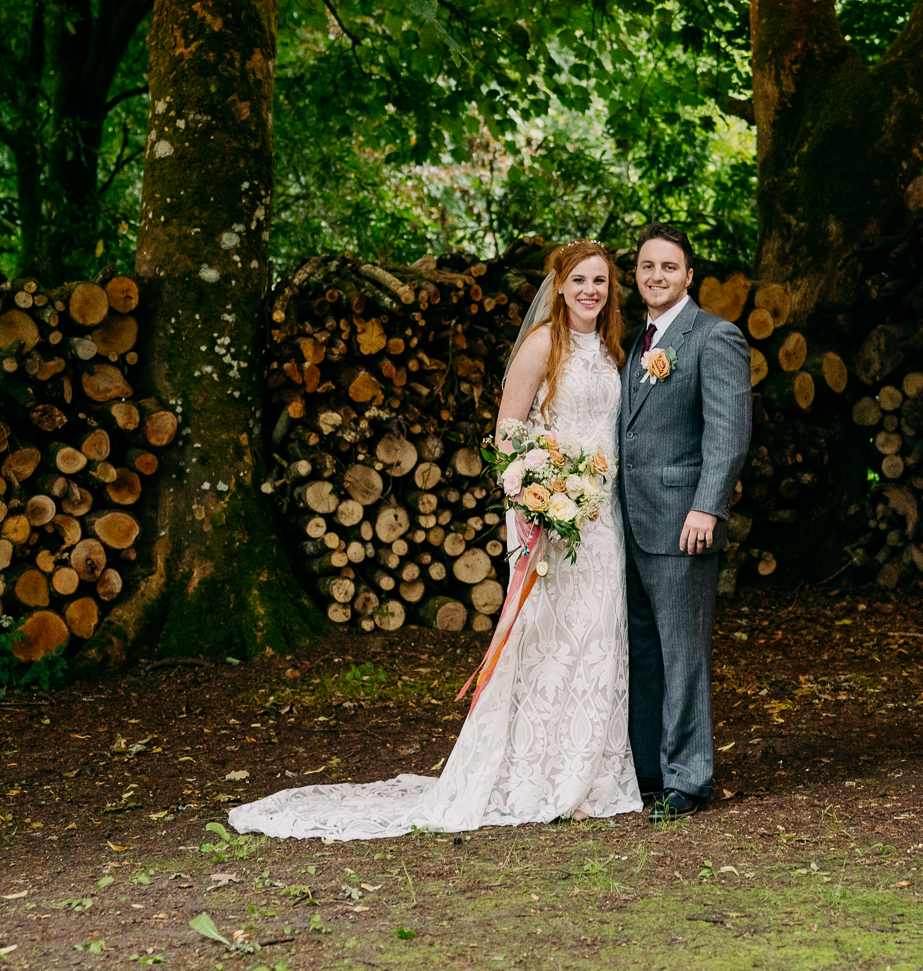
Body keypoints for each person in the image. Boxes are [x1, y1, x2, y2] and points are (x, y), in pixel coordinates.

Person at [228, 240, 641, 838]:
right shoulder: (541, 346)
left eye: (600, 281)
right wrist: (538, 496)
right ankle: (540, 778)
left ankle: (591, 778)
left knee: (600, 639)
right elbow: (508, 434)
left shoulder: (608, 351)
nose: (590, 291)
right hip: (554, 518)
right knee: (548, 643)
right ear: (559, 284)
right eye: (579, 279)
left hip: (603, 522)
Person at [619, 223, 752, 823]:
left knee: (683, 655)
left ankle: (688, 778)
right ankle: (647, 771)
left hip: (682, 522)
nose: (656, 276)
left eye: (668, 267)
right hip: (628, 524)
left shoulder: (714, 337)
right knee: (643, 654)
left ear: (689, 276)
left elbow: (728, 433)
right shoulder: (636, 343)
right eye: (647, 267)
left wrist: (707, 506)